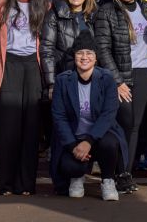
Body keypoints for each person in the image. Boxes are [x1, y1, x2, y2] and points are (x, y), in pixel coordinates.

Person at [0, 0, 49, 195]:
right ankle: (6, 183)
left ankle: (26, 184)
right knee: (8, 127)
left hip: (33, 67)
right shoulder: (2, 6)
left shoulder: (44, 6)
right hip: (9, 66)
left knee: (31, 128)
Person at [95, 0, 147, 192]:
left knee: (135, 126)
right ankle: (113, 174)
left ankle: (125, 174)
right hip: (120, 76)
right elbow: (102, 50)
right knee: (123, 124)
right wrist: (117, 81)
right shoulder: (107, 11)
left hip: (144, 73)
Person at [51, 31, 126, 201]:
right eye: (80, 53)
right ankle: (77, 177)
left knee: (110, 143)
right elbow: (59, 117)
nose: (84, 57)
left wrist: (89, 141)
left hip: (97, 137)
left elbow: (108, 114)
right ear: (74, 56)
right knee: (70, 167)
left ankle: (108, 180)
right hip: (74, 138)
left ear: (96, 57)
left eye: (89, 53)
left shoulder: (106, 78)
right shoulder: (63, 80)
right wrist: (72, 146)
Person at [40, 0, 97, 96]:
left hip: (90, 80)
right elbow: (47, 50)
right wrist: (51, 83)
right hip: (63, 78)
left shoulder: (93, 15)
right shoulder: (55, 13)